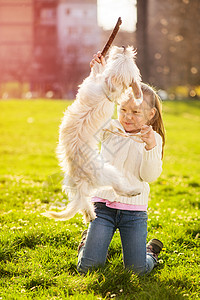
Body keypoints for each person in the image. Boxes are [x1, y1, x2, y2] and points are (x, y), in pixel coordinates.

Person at [77, 51, 165, 276]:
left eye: (136, 112)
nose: (127, 116)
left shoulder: (153, 139)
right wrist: (98, 73)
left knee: (136, 271)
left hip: (133, 213)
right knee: (88, 268)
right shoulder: (109, 128)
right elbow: (94, 105)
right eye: (123, 109)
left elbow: (149, 176)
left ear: (151, 114)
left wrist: (149, 147)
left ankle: (150, 254)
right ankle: (89, 245)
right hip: (103, 207)